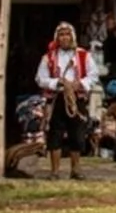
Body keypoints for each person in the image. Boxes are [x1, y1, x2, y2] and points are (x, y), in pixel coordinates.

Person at [35, 21, 99, 180]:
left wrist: (80, 84)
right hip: (57, 99)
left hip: (77, 99)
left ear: (72, 37)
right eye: (61, 34)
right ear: (57, 38)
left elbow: (94, 75)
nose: (64, 38)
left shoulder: (84, 56)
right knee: (55, 134)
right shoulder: (48, 58)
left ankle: (76, 170)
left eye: (67, 34)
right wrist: (56, 82)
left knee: (77, 134)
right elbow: (40, 78)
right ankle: (55, 171)